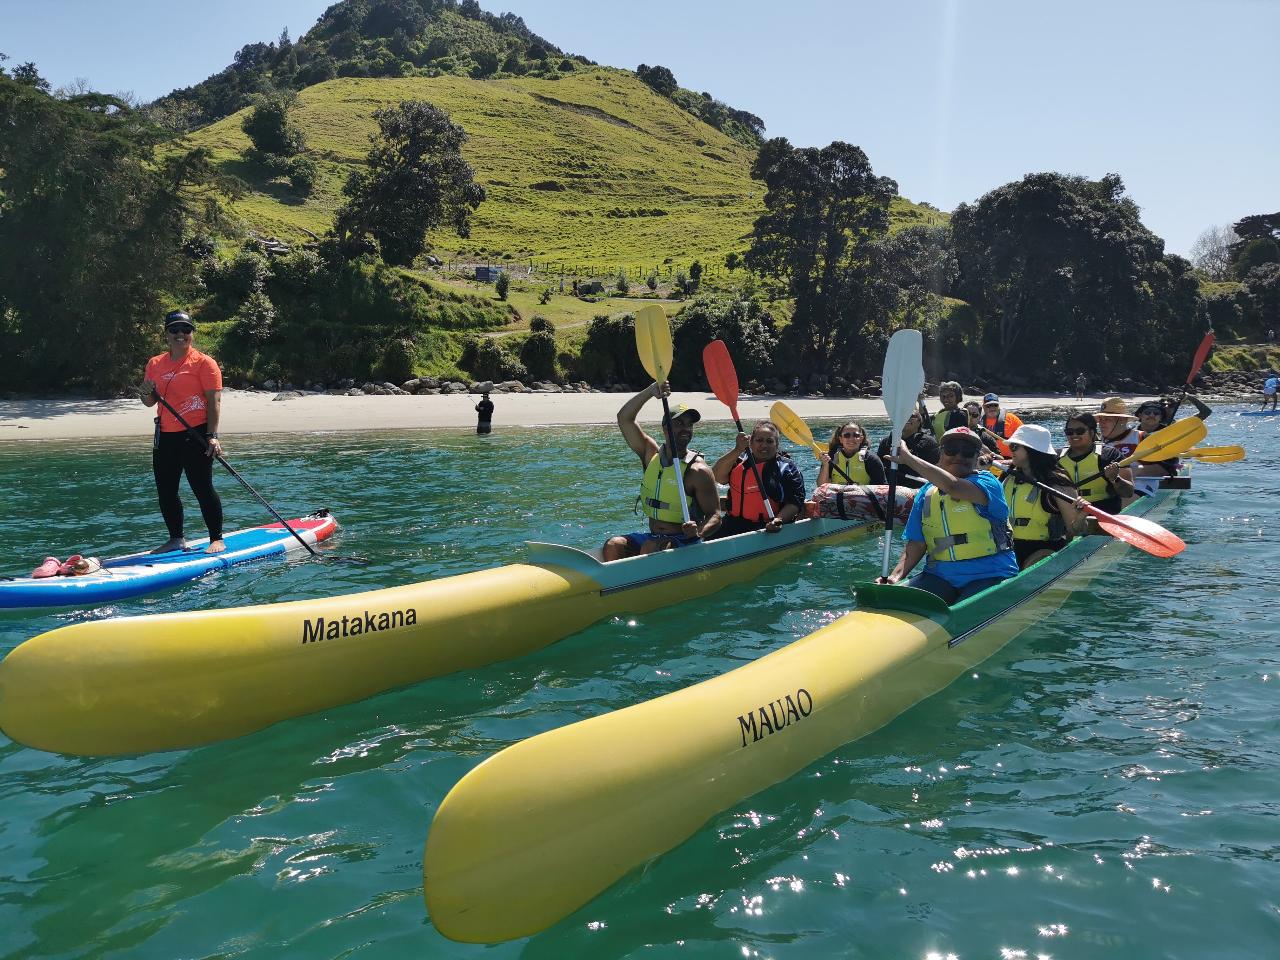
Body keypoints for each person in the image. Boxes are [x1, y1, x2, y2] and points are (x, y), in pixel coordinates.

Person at [876, 426, 1018, 604]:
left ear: (976, 458)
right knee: (890, 601)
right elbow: (917, 543)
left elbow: (953, 487)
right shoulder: (926, 492)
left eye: (967, 452)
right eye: (952, 450)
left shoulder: (988, 483)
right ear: (940, 455)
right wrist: (895, 577)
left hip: (990, 574)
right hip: (939, 576)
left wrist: (909, 459)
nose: (959, 456)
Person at [602, 384, 721, 560]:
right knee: (613, 545)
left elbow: (716, 515)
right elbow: (624, 418)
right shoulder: (650, 454)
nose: (686, 429)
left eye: (689, 425)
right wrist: (650, 391)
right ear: (665, 427)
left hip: (683, 541)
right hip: (653, 537)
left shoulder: (698, 470)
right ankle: (616, 585)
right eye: (679, 423)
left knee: (650, 548)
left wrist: (698, 531)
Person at [139, 310, 225, 554]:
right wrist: (144, 392)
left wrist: (213, 436)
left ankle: (216, 538)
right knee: (166, 490)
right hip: (165, 435)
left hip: (196, 434)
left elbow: (214, 402)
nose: (180, 335)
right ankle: (176, 539)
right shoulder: (155, 364)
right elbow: (149, 401)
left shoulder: (204, 363)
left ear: (192, 334)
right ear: (166, 334)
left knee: (202, 487)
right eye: (174, 330)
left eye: (185, 330)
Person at [1001, 425, 1087, 568]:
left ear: (1032, 450)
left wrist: (1082, 515)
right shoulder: (1008, 476)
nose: (1011, 451)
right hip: (1008, 548)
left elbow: (1075, 530)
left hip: (1042, 550)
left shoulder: (1057, 483)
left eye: (1015, 446)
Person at [711, 420, 806, 537]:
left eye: (769, 441)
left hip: (767, 526)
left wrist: (779, 520)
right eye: (759, 440)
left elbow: (795, 502)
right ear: (750, 443)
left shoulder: (787, 468)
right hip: (732, 523)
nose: (764, 445)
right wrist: (737, 449)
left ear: (776, 445)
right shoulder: (738, 460)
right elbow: (716, 476)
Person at [1058, 413, 1131, 514]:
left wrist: (1115, 479)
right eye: (1069, 432)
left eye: (1080, 431)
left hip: (1102, 512)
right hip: (1067, 512)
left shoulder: (1110, 455)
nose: (1074, 435)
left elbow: (1128, 493)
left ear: (1092, 433)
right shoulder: (1056, 458)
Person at [875, 410, 939, 489]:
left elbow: (935, 469)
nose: (906, 419)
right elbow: (878, 469)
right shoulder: (886, 442)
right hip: (890, 486)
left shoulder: (929, 442)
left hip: (917, 487)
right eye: (903, 417)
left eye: (911, 416)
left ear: (919, 422)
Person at [819, 422, 886, 486]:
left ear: (861, 439)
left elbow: (880, 488)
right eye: (846, 435)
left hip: (863, 497)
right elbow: (821, 485)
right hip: (836, 497)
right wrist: (825, 465)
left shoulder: (871, 459)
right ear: (841, 439)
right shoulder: (831, 457)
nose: (851, 439)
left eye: (856, 435)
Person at [979, 393, 1023, 458]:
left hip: (1010, 459)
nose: (992, 408)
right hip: (988, 458)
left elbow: (1023, 437)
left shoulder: (1012, 418)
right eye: (989, 406)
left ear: (998, 406)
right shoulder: (978, 421)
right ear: (983, 407)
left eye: (995, 405)